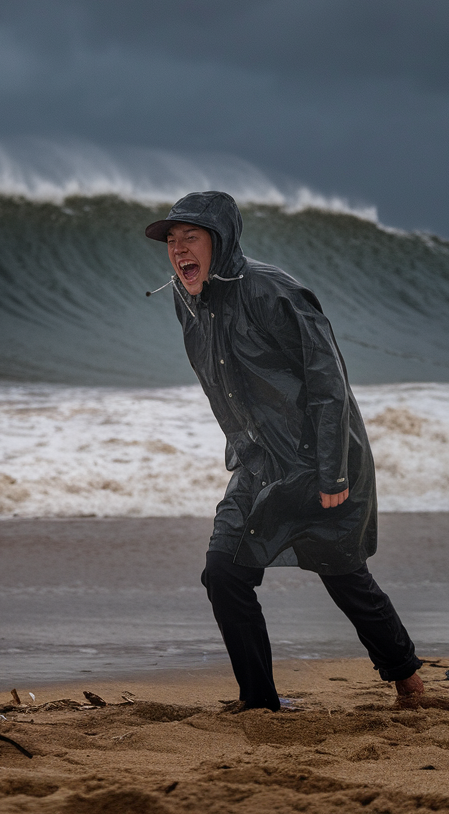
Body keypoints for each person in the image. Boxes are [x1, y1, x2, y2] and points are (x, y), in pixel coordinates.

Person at [145, 191, 424, 711]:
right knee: (224, 571)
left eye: (191, 237)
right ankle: (259, 701)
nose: (178, 249)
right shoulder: (187, 299)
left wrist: (332, 472)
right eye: (172, 240)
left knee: (343, 573)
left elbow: (329, 384)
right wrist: (245, 450)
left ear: (221, 241)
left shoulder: (273, 292)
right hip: (259, 463)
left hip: (317, 460)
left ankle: (409, 680)